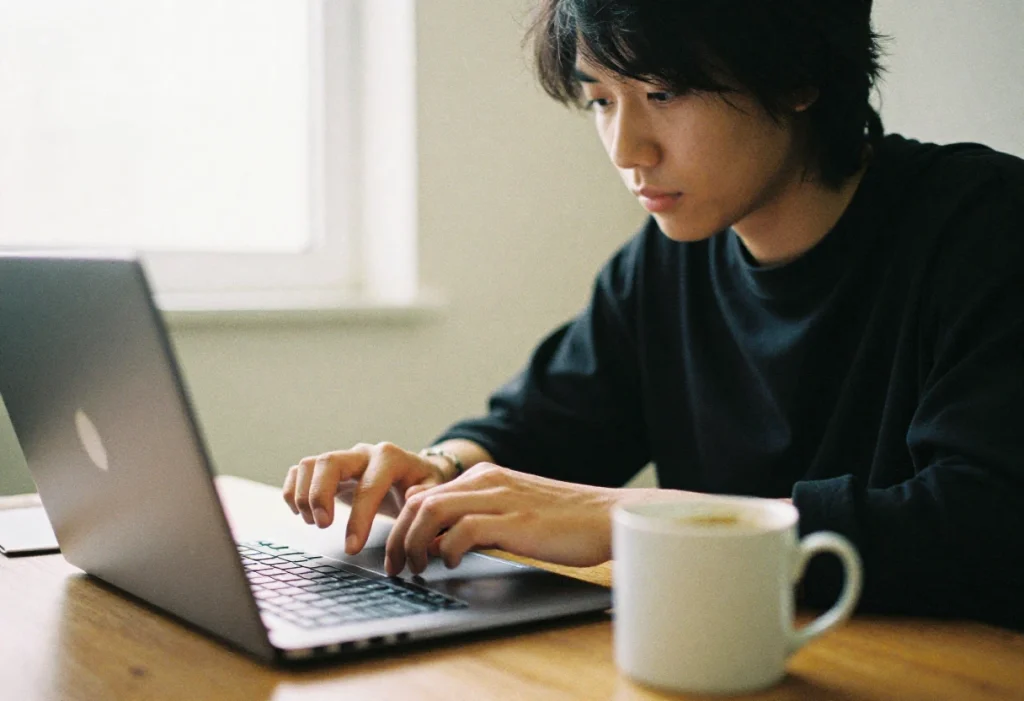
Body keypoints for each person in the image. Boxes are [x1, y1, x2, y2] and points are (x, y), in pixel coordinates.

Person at [282, 0, 1024, 630]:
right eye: (601, 98)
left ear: (798, 72)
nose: (626, 149)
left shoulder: (984, 226)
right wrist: (438, 473)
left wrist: (636, 520)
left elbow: (982, 524)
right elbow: (544, 429)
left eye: (662, 93)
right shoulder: (667, 261)